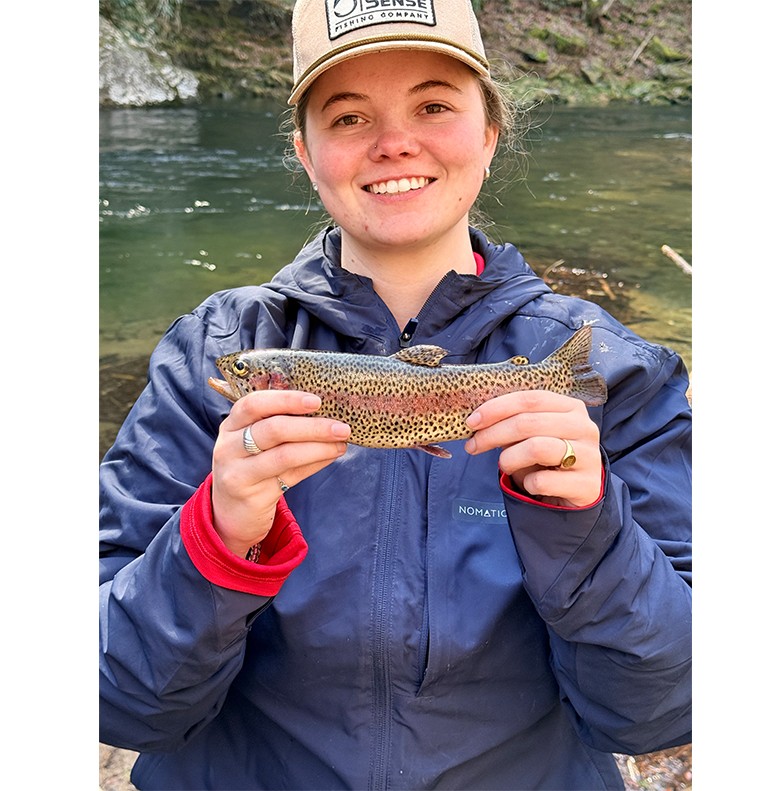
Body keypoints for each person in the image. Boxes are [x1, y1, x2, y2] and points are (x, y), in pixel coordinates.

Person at [99, 0, 692, 788]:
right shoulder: (207, 351)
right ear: (306, 155)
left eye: (434, 106)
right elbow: (111, 704)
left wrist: (588, 528)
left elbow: (665, 708)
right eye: (347, 116)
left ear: (489, 134)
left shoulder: (616, 371)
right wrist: (213, 540)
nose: (393, 143)